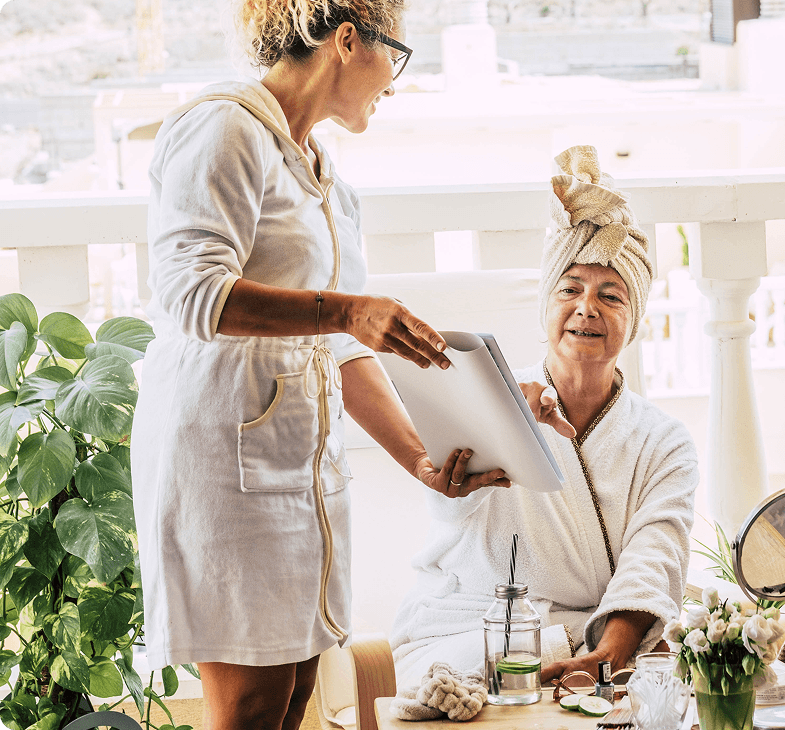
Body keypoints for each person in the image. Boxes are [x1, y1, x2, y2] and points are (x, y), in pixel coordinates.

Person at [131, 2, 507, 728]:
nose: (392, 82)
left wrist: (421, 462)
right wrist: (343, 309)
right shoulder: (225, 129)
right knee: (250, 709)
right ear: (346, 41)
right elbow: (193, 293)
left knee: (296, 690)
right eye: (394, 55)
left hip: (298, 471)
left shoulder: (326, 176)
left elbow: (346, 345)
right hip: (225, 469)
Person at [389, 145, 699, 686]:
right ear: (546, 307)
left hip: (598, 638)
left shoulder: (664, 442)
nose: (587, 308)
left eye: (611, 295)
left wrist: (609, 652)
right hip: (473, 632)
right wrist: (501, 424)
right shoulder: (487, 397)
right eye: (570, 290)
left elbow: (657, 554)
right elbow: (450, 507)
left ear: (637, 319)